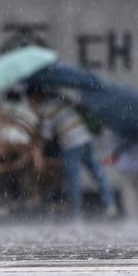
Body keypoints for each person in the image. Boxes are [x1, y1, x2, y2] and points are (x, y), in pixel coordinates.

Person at [29, 84, 115, 218]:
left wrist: (37, 140)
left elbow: (46, 135)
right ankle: (110, 204)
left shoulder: (47, 109)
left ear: (37, 96)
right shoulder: (61, 102)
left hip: (71, 143)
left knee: (73, 178)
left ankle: (76, 212)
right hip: (85, 138)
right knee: (97, 172)